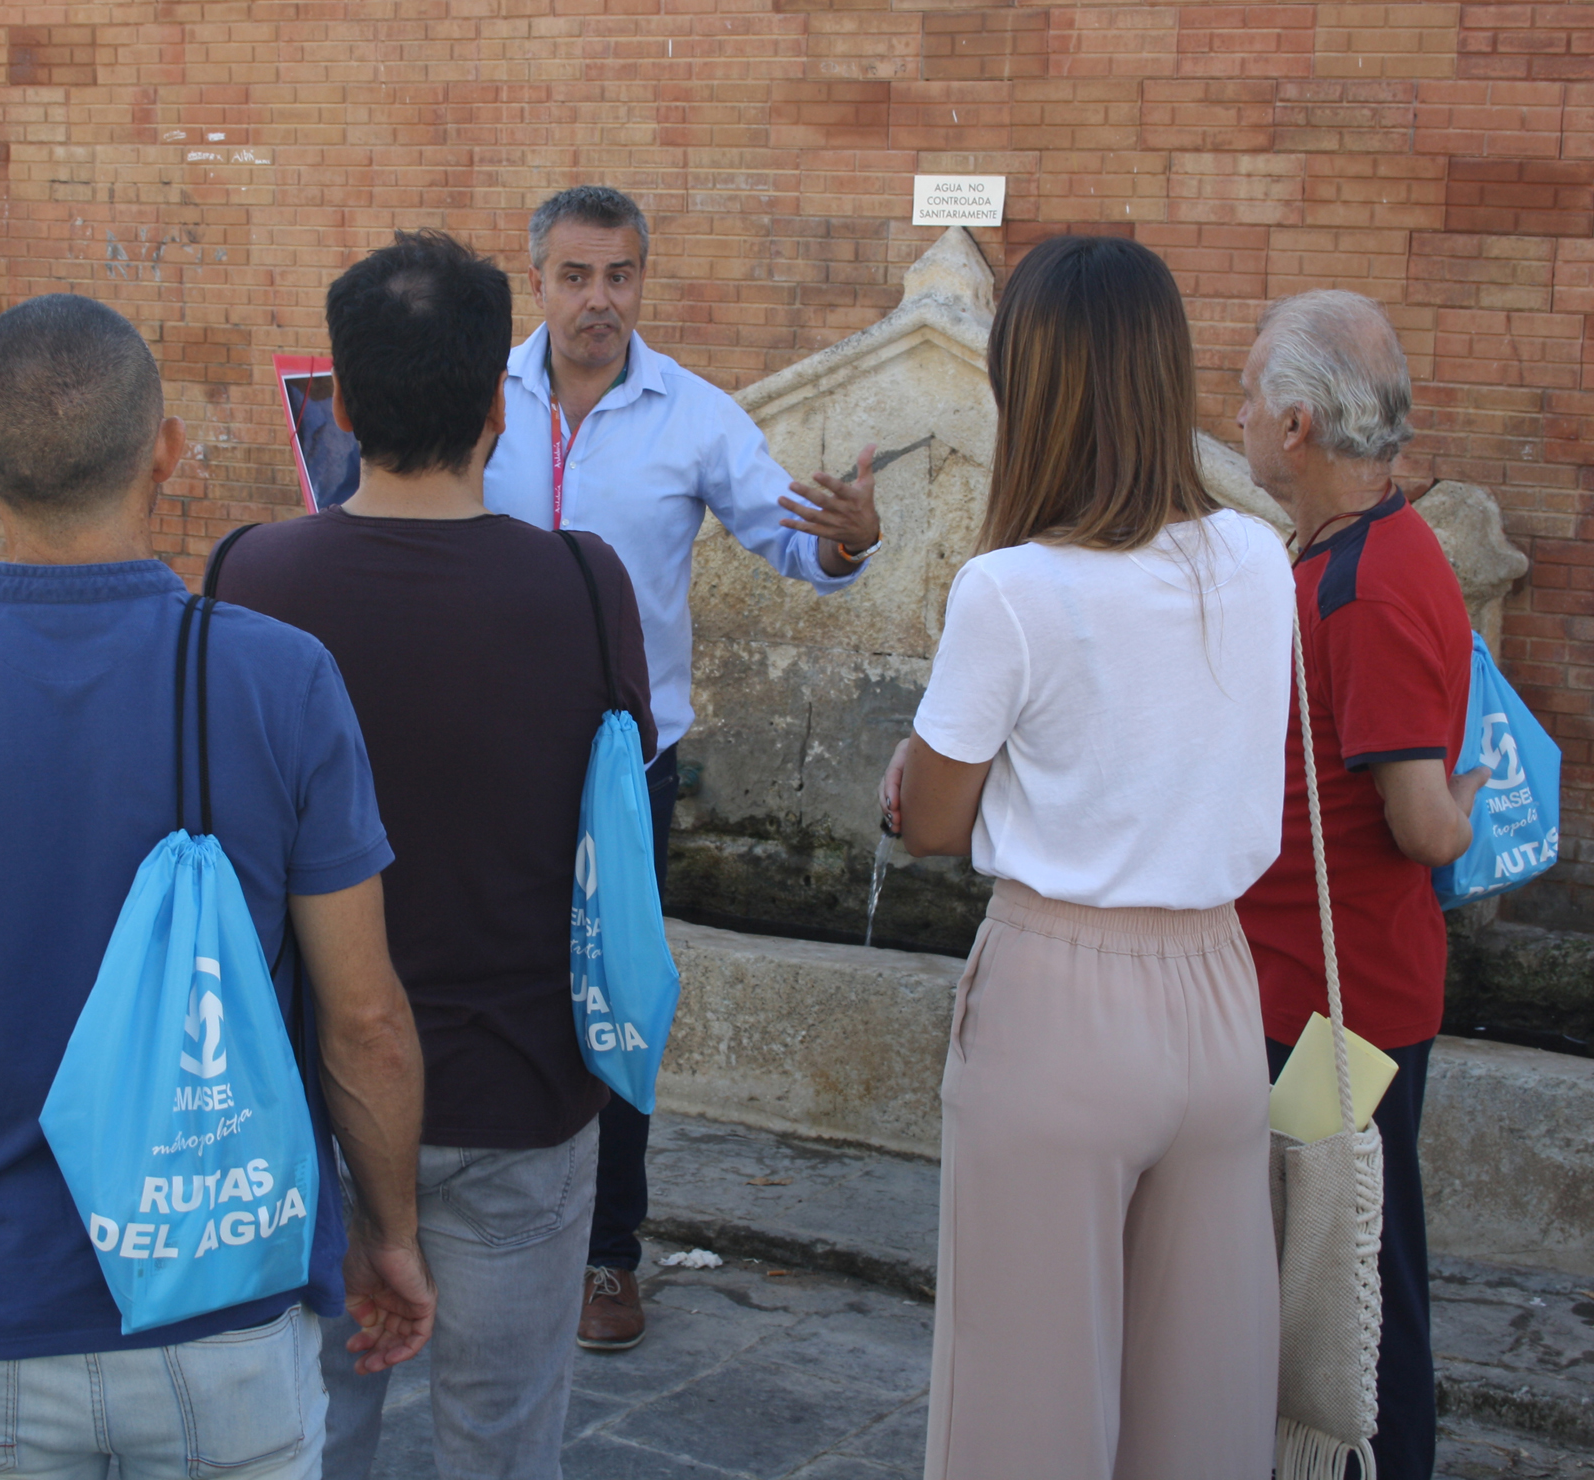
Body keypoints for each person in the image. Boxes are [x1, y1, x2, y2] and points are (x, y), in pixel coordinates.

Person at [0, 293, 435, 1480]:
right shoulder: (282, 679)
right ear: (166, 451)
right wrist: (389, 1227)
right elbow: (365, 1020)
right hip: (223, 1296)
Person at [213, 230, 656, 1478]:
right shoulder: (583, 584)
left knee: (304, 1438)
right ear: (497, 411)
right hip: (520, 1087)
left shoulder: (250, 574)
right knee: (504, 1444)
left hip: (306, 1095)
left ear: (341, 408)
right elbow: (621, 779)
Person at [881, 235, 1294, 1478]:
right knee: (1202, 1407)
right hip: (1218, 995)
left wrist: (914, 777)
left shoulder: (1010, 588)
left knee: (1023, 1406)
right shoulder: (1258, 556)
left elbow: (933, 820)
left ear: (1026, 384)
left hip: (1059, 996)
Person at [481, 184, 885, 1351]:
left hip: (624, 775)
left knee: (615, 1008)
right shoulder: (480, 402)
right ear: (536, 281)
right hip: (487, 763)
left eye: (618, 276)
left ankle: (607, 1254)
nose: (597, 300)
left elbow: (795, 542)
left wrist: (847, 539)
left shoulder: (695, 418)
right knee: (483, 991)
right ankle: (482, 1233)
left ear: (640, 281)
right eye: (574, 276)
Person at [1235, 290, 1482, 1480]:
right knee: (1326, 1266)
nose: (1233, 412)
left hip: (1334, 1011)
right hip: (1314, 994)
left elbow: (1421, 824)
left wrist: (1466, 805)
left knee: (1352, 1284)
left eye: (1245, 393)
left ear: (1293, 426)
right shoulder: (1354, 551)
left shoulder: (1363, 584)